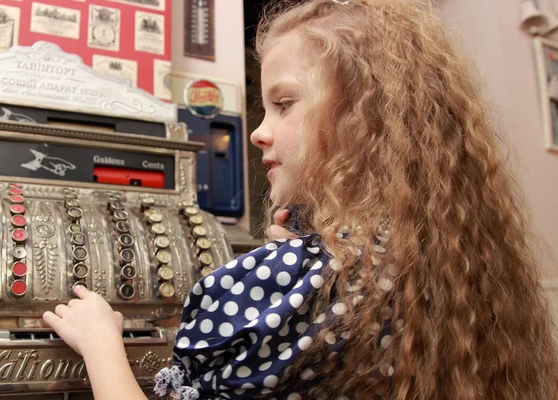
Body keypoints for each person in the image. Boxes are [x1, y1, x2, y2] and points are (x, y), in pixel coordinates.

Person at [43, 0, 558, 399]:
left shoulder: (296, 278)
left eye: (284, 105)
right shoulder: (449, 256)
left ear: (368, 117)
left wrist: (101, 342)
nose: (257, 134)